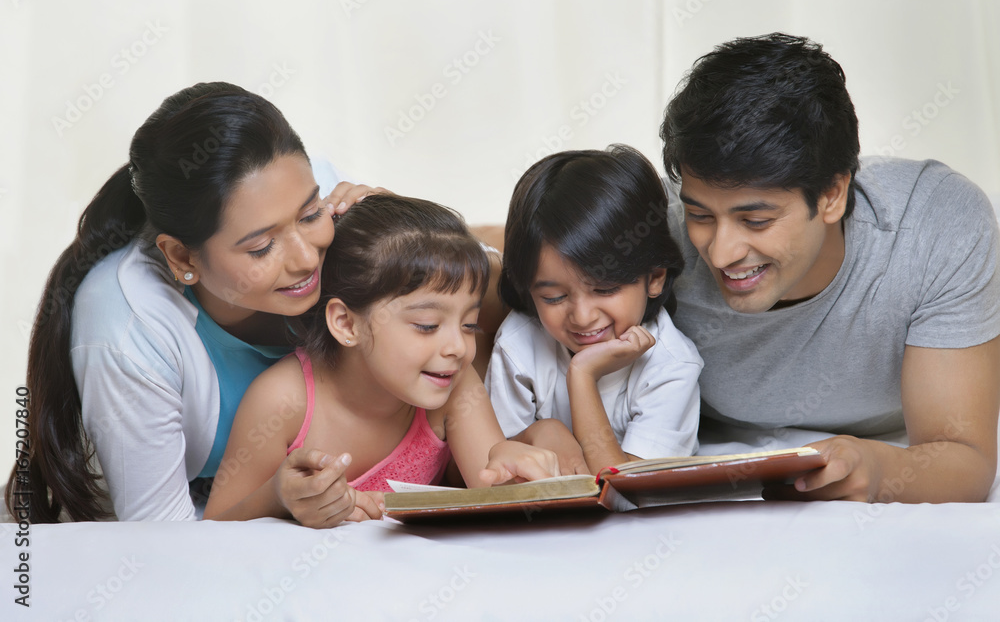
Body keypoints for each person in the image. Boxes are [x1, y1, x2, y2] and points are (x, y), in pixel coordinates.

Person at [5, 83, 522, 523]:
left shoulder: (309, 202)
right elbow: (163, 543)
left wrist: (411, 235)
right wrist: (277, 500)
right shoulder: (126, 334)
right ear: (184, 256)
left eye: (309, 213)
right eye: (260, 247)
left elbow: (481, 293)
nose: (305, 259)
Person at [659, 33, 1000, 503]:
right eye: (699, 215)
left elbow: (964, 461)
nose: (720, 253)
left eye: (755, 220)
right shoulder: (653, 231)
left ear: (832, 195)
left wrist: (875, 468)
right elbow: (527, 247)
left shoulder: (936, 223)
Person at [204, 195, 559, 526]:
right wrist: (278, 498)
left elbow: (494, 492)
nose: (459, 348)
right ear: (345, 323)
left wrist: (514, 472)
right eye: (427, 325)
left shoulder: (454, 383)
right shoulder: (282, 401)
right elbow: (214, 528)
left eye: (469, 325)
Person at [486, 146, 704, 475]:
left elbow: (626, 488)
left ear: (655, 277)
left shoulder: (672, 365)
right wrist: (540, 433)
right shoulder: (519, 344)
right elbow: (489, 463)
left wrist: (583, 377)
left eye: (604, 289)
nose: (583, 316)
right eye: (554, 297)